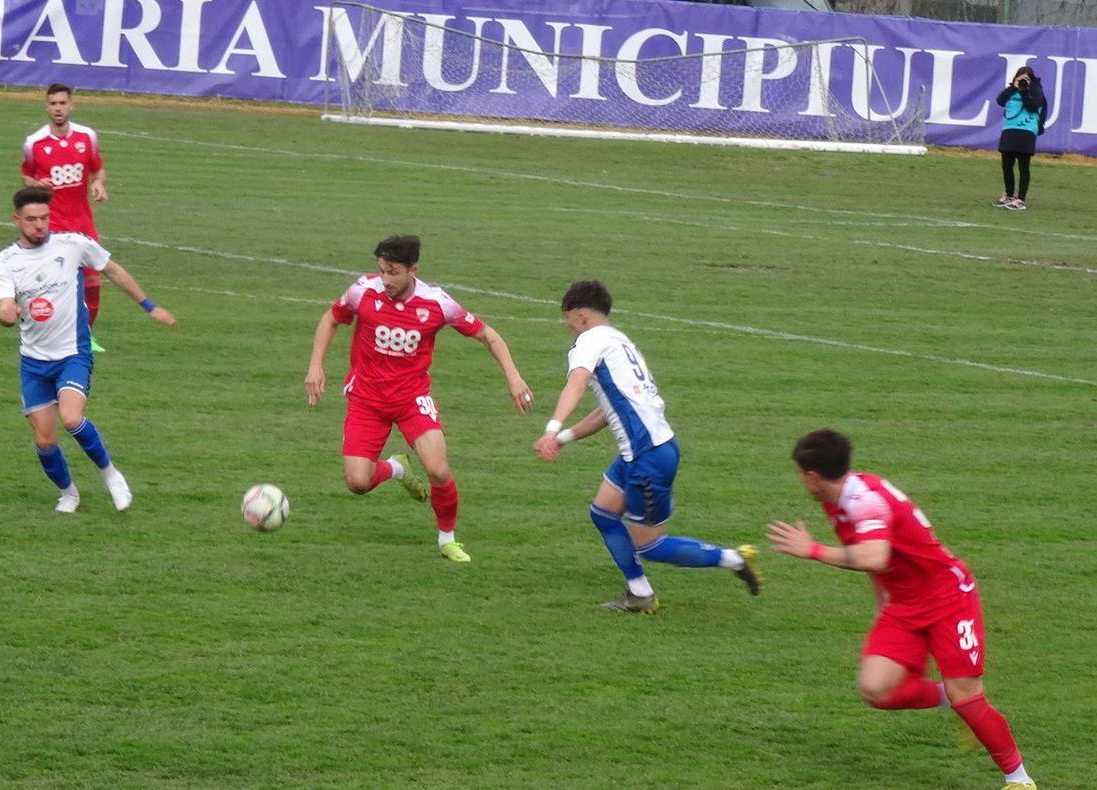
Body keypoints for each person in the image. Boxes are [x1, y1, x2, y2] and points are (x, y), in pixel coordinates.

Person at [767, 429, 1034, 790]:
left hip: (948, 599)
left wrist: (813, 550)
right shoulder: (836, 498)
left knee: (969, 697)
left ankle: (1019, 779)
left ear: (813, 476)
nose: (799, 480)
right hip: (905, 604)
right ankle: (948, 698)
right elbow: (877, 558)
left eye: (800, 473)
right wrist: (883, 605)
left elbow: (874, 556)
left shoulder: (864, 502)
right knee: (876, 689)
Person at [533, 280, 762, 613]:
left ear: (581, 316)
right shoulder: (619, 341)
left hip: (647, 457)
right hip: (647, 450)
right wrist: (563, 438)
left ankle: (733, 559)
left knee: (651, 545)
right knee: (603, 513)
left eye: (568, 320)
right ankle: (640, 593)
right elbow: (607, 412)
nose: (568, 328)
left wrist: (550, 428)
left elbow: (577, 383)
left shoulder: (589, 340)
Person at [304, 235, 534, 563]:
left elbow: (487, 335)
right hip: (366, 400)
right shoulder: (362, 291)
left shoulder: (437, 303)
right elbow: (331, 319)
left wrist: (513, 377)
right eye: (382, 270)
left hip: (412, 399)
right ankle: (397, 468)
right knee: (357, 483)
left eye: (393, 272)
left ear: (413, 270)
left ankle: (447, 539)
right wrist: (316, 365)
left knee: (438, 469)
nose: (385, 279)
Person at [0, 188, 176, 513]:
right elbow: (5, 307)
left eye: (44, 218)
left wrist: (149, 306)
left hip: (73, 354)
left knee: (72, 418)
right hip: (33, 362)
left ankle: (111, 475)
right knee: (45, 441)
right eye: (32, 219)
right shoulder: (7, 261)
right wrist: (7, 314)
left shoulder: (73, 245)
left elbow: (113, 270)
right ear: (17, 220)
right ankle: (69, 494)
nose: (39, 225)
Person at [22, 83, 110, 352]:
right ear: (46, 107)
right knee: (57, 285)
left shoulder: (87, 137)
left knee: (93, 282)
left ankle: (85, 337)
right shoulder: (34, 143)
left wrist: (98, 183)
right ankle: (50, 335)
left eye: (62, 103)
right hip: (54, 226)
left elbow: (98, 169)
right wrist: (37, 184)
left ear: (71, 105)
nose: (58, 108)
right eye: (53, 104)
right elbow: (26, 176)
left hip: (83, 223)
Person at [992, 66, 1046, 212]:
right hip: (1009, 129)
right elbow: (1000, 101)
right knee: (1006, 164)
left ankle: (1021, 199)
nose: (1023, 81)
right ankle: (1009, 195)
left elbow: (1033, 107)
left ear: (1032, 80)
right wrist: (1013, 87)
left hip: (1026, 131)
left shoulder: (1036, 91)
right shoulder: (1012, 90)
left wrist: (1024, 91)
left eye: (1027, 78)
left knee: (1023, 166)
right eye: (1020, 78)